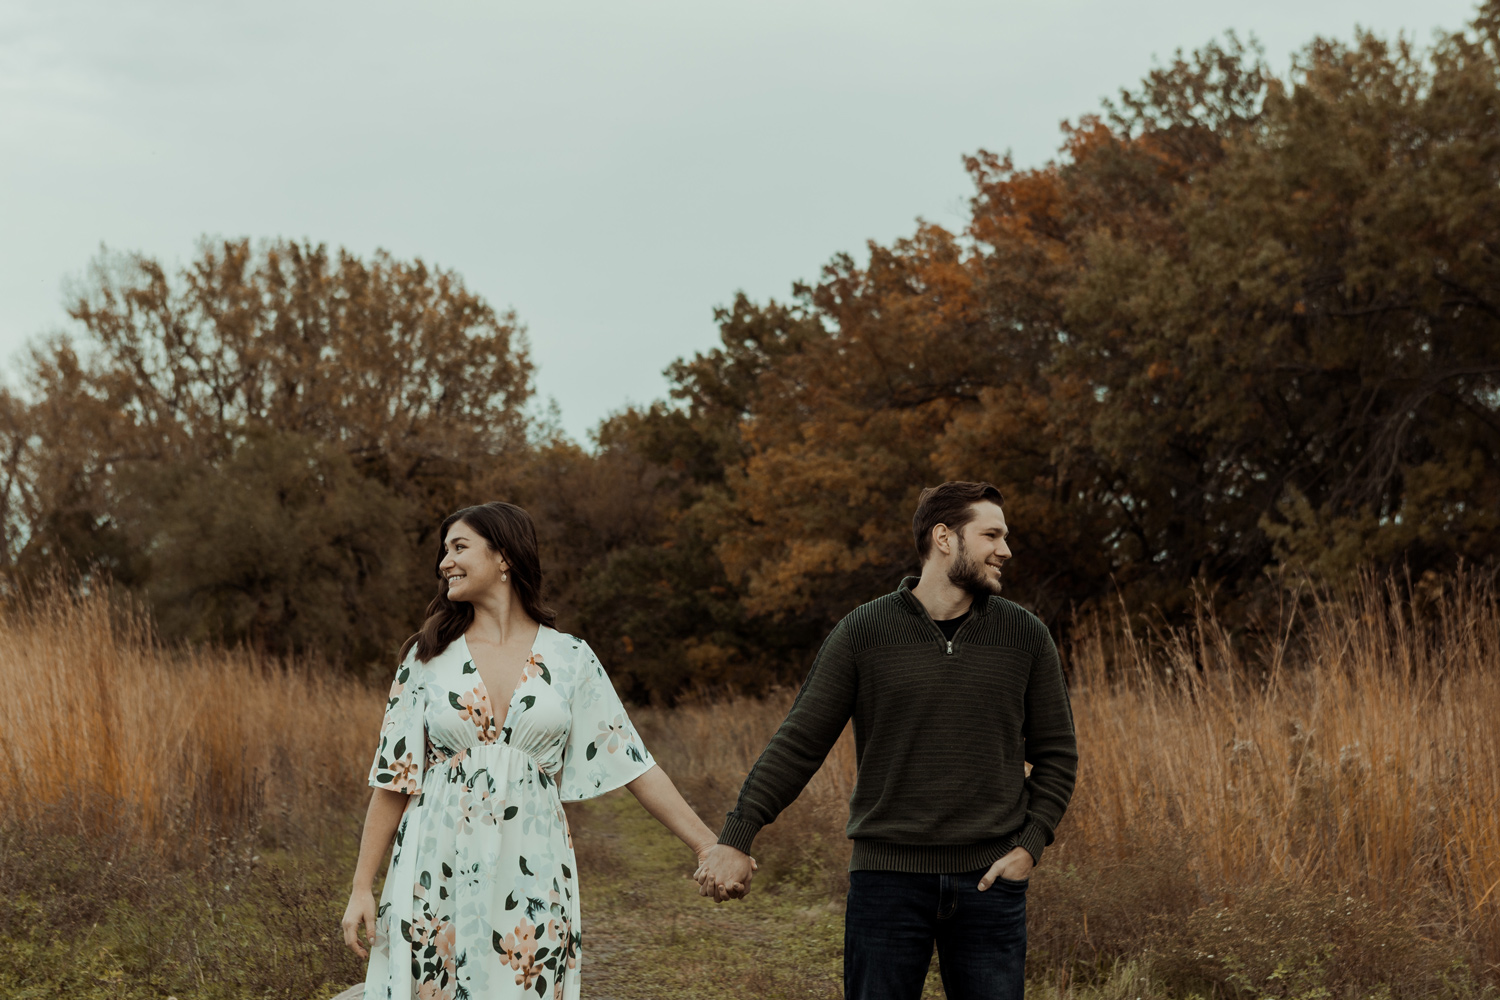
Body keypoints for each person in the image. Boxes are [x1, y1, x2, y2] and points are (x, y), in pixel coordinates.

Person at [694, 481, 1078, 1000]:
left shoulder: (1025, 636)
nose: (1005, 550)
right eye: (992, 535)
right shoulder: (863, 632)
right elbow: (799, 743)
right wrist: (738, 835)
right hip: (886, 884)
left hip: (991, 883)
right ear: (944, 538)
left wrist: (1029, 847)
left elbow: (1057, 757)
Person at [342, 501, 730, 1000]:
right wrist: (360, 888)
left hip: (532, 865)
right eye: (444, 552)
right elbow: (394, 781)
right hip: (434, 864)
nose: (444, 563)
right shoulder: (426, 657)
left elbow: (635, 763)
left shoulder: (571, 658)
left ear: (504, 557)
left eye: (459, 547)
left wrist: (705, 845)